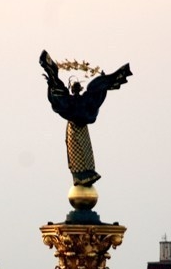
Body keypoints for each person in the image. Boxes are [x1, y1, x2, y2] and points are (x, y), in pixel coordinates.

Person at [39, 50, 132, 187]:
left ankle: (83, 174)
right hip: (79, 129)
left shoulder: (71, 102)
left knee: (80, 150)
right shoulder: (84, 101)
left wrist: (52, 78)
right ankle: (83, 174)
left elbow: (57, 97)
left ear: (73, 89)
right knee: (81, 149)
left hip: (75, 129)